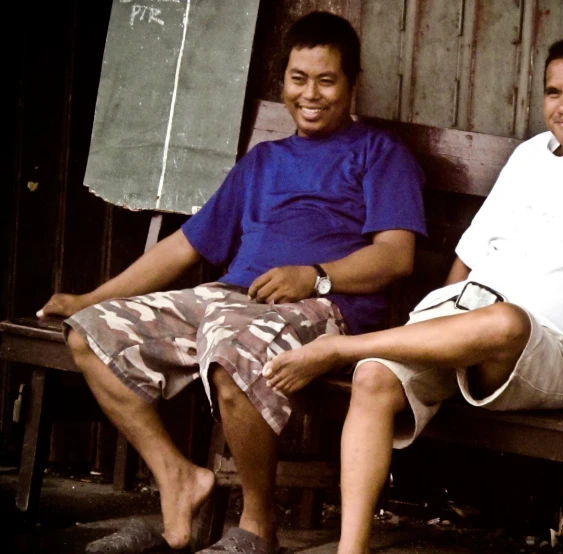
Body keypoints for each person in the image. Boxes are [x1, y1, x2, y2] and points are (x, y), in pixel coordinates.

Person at [261, 32, 563, 554]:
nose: (562, 105)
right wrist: (433, 322)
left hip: (549, 355)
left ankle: (341, 349)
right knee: (376, 377)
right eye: (553, 92)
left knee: (507, 320)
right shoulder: (532, 155)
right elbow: (470, 255)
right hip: (468, 322)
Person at [38, 11, 426, 554]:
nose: (309, 94)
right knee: (90, 334)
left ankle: (258, 526)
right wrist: (92, 298)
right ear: (283, 81)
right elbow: (186, 245)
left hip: (326, 308)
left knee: (230, 345)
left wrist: (314, 276)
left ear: (352, 83)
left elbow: (395, 257)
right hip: (233, 299)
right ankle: (179, 477)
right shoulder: (263, 160)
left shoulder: (379, 155)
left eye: (326, 80)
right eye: (298, 78)